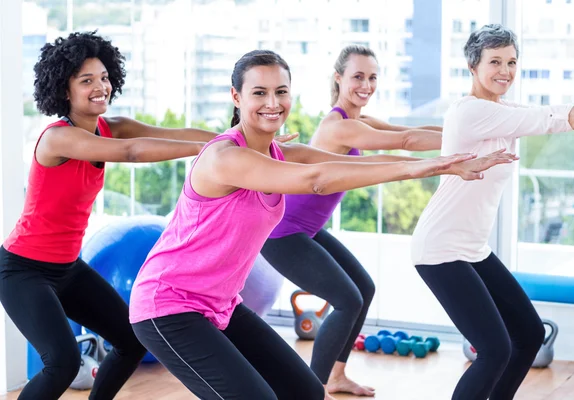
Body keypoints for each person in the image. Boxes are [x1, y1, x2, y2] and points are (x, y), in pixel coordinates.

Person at [129, 48, 516, 400]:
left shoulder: (283, 151)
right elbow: (316, 180)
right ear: (237, 98)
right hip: (168, 306)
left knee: (307, 393)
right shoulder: (225, 158)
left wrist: (444, 161)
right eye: (259, 93)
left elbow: (355, 163)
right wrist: (427, 166)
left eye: (281, 92)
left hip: (221, 305)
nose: (272, 103)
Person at [0, 31, 267, 400]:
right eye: (86, 81)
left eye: (104, 77)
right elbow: (132, 152)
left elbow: (173, 132)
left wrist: (240, 140)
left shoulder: (111, 126)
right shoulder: (57, 139)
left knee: (129, 339)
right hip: (24, 269)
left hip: (67, 267)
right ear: (64, 90)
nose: (100, 87)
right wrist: (218, 150)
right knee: (60, 362)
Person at [411, 24, 574, 400]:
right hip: (440, 249)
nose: (505, 71)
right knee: (494, 349)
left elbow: (547, 114)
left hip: (473, 248)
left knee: (528, 335)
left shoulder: (501, 110)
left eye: (511, 62)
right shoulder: (471, 111)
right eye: (495, 61)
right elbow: (550, 118)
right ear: (472, 65)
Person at [260, 44, 451, 397]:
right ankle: (310, 390)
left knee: (363, 289)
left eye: (372, 77)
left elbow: (406, 129)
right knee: (348, 299)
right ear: (339, 78)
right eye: (358, 76)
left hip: (307, 230)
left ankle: (336, 376)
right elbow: (405, 141)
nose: (366, 84)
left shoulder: (356, 120)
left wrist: (461, 131)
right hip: (283, 234)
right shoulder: (338, 127)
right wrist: (460, 147)